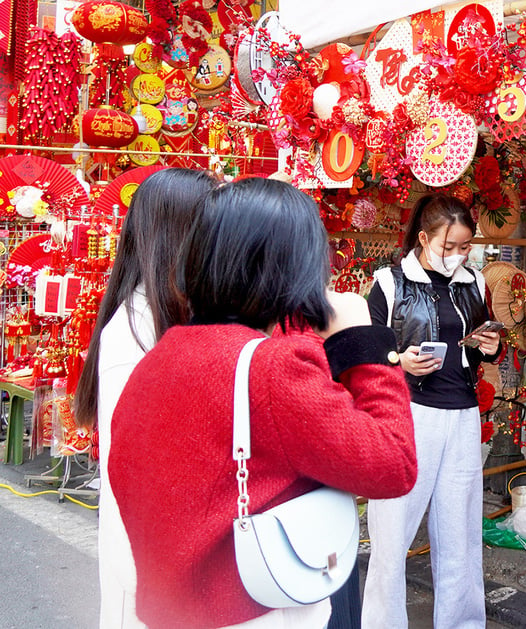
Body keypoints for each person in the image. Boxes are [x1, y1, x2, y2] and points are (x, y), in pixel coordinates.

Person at [107, 178, 418, 629]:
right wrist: (363, 340)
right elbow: (394, 463)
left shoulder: (160, 358)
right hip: (256, 613)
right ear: (294, 267)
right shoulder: (269, 368)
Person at [74, 168, 217, 629]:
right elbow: (143, 478)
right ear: (184, 234)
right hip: (151, 577)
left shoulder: (162, 321)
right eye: (214, 224)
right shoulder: (134, 334)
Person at [361, 193, 501, 629]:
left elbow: (478, 345)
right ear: (423, 238)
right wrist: (396, 360)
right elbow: (365, 350)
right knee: (392, 535)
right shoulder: (388, 282)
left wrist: (490, 348)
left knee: (460, 534)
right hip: (409, 416)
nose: (458, 256)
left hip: (461, 414)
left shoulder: (474, 283)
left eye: (465, 247)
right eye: (449, 247)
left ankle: (462, 623)